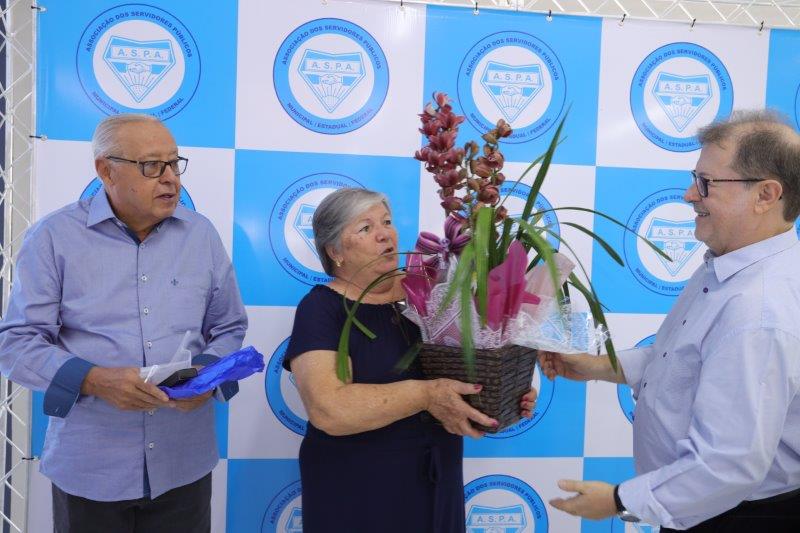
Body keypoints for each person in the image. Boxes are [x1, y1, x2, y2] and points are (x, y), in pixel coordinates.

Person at [543, 110, 800, 531]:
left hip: (733, 516)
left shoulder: (759, 310)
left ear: (766, 195)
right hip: (707, 508)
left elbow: (727, 465)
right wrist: (599, 366)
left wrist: (618, 500)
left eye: (707, 183)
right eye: (695, 178)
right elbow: (685, 359)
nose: (689, 194)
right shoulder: (729, 267)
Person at [0, 114, 248, 532]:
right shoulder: (53, 237)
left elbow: (229, 327)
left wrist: (207, 377)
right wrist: (94, 380)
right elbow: (17, 343)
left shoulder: (201, 235)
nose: (170, 179)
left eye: (174, 163)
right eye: (152, 166)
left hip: (182, 462)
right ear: (106, 170)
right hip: (91, 466)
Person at [284, 187, 538, 533]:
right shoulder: (320, 309)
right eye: (365, 228)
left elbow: (471, 365)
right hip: (356, 490)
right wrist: (426, 394)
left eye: (387, 222)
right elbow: (328, 409)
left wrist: (505, 392)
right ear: (334, 251)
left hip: (436, 481)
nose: (384, 234)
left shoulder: (434, 291)